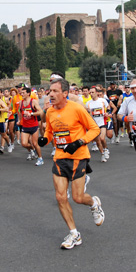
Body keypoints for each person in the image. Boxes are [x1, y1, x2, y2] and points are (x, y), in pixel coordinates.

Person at [37, 78, 104, 250]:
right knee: (60, 197)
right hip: (60, 156)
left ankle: (94, 203)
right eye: (49, 91)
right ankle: (74, 233)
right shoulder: (50, 112)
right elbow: (50, 131)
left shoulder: (77, 109)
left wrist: (79, 142)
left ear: (65, 94)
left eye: (55, 91)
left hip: (78, 156)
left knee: (78, 198)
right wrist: (46, 139)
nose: (50, 94)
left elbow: (94, 129)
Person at [19, 86, 45, 165]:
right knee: (23, 143)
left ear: (28, 93)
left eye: (23, 93)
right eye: (21, 93)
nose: (21, 94)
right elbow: (20, 112)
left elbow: (40, 111)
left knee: (35, 143)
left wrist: (31, 113)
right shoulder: (21, 102)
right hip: (25, 126)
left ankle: (40, 159)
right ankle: (33, 150)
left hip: (34, 126)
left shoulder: (33, 102)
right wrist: (19, 120)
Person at [86, 86, 110, 162]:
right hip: (94, 125)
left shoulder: (102, 100)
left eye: (93, 92)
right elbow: (87, 113)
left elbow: (108, 107)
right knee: (98, 141)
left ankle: (106, 149)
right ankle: (102, 154)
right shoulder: (88, 103)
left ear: (97, 93)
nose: (91, 94)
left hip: (102, 122)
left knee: (102, 138)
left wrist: (107, 112)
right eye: (90, 93)